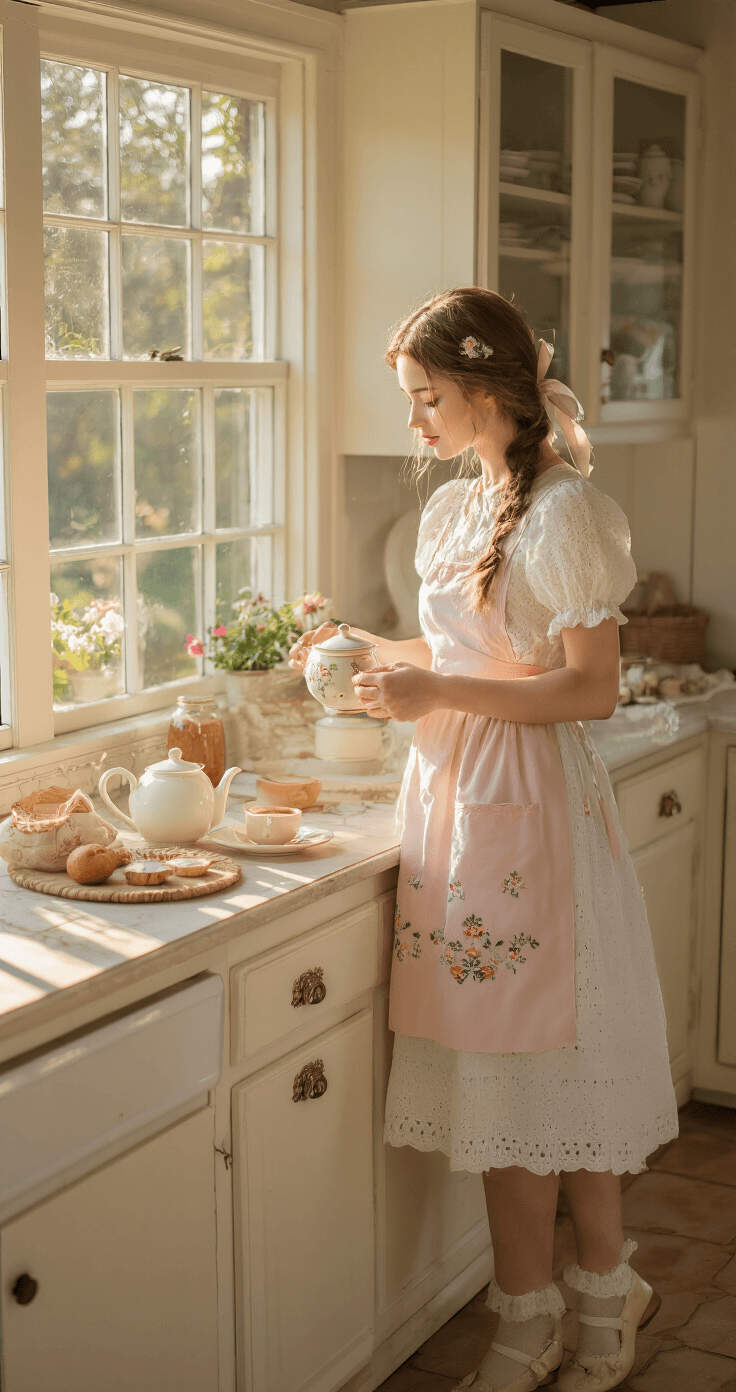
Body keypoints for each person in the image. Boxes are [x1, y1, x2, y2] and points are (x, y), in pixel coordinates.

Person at [289, 287, 677, 1392]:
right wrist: (374, 652)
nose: (413, 420)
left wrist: (435, 686)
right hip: (459, 805)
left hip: (536, 816)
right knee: (495, 1090)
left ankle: (606, 1298)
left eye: (425, 398)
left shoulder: (569, 514)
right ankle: (526, 1314)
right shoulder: (461, 507)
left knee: (567, 1079)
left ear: (486, 389)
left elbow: (589, 689)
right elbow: (475, 644)